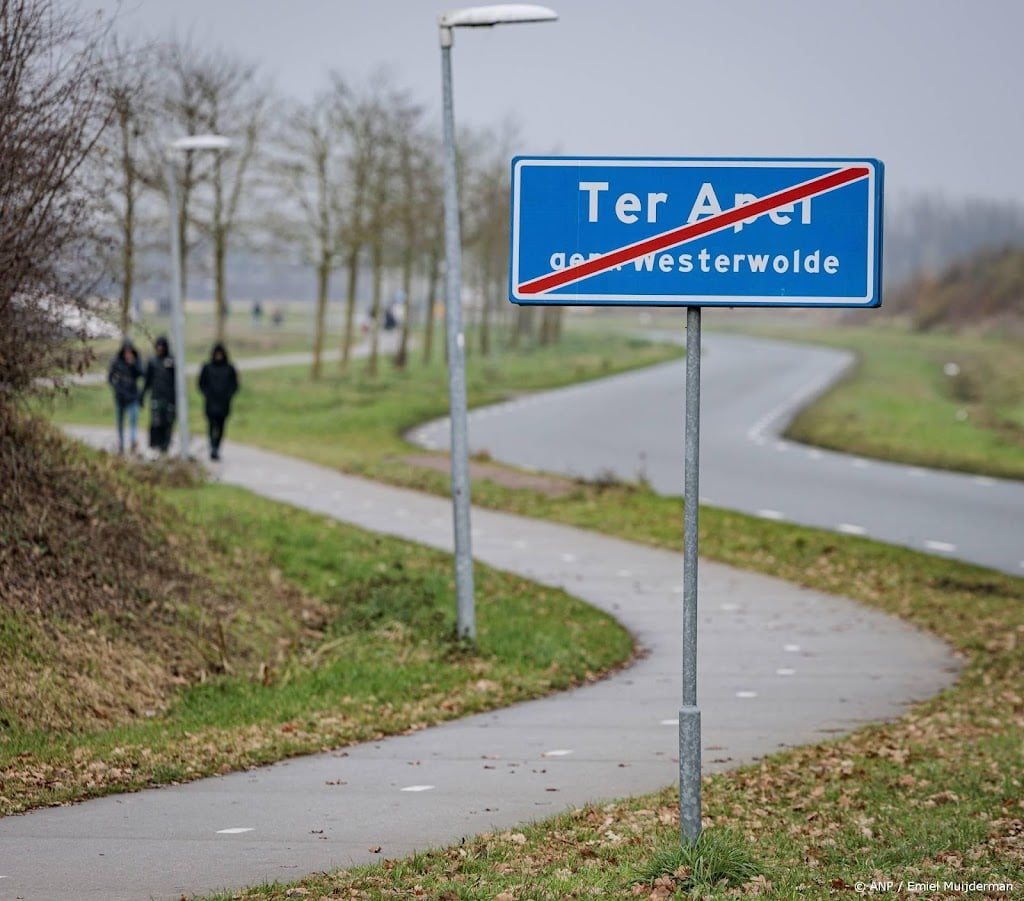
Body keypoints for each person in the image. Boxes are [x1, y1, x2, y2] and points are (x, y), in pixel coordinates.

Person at [198, 342, 239, 461]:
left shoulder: (229, 368)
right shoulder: (207, 367)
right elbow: (201, 384)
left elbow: (234, 385)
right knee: (211, 425)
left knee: (221, 426)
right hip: (211, 402)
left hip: (224, 403)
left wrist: (228, 396)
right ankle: (212, 446)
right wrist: (207, 394)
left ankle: (216, 447)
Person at [107, 339, 144, 455]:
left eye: (130, 350)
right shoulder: (116, 362)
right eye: (126, 350)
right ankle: (121, 445)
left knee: (133, 421)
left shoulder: (136, 360)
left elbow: (142, 373)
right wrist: (116, 387)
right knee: (120, 422)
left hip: (133, 395)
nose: (128, 353)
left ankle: (133, 442)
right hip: (120, 396)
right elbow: (110, 378)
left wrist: (133, 364)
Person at [142, 335, 176, 455]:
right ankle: (155, 444)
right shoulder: (152, 362)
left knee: (168, 422)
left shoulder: (172, 361)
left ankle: (165, 445)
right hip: (156, 396)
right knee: (156, 422)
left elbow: (177, 381)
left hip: (170, 398)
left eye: (162, 346)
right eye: (158, 346)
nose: (160, 349)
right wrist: (142, 396)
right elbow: (147, 381)